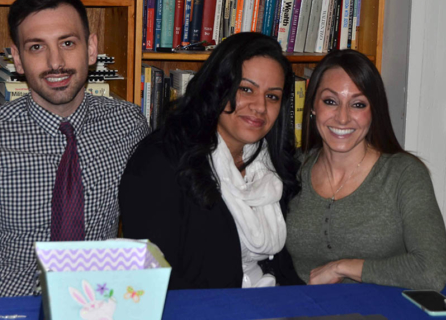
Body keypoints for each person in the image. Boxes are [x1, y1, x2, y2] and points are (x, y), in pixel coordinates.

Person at [0, 0, 149, 299]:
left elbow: (151, 229)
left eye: (67, 43)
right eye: (36, 47)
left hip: (98, 304)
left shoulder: (128, 124)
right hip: (8, 307)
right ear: (17, 58)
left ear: (91, 48)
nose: (55, 63)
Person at [120, 32, 303, 289]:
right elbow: (154, 281)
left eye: (272, 96)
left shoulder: (272, 162)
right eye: (246, 89)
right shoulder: (160, 161)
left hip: (270, 301)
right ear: (217, 87)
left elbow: (283, 267)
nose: (260, 106)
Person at [286, 49, 446, 291]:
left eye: (358, 104)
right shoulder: (291, 169)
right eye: (330, 101)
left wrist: (342, 267)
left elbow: (433, 271)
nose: (342, 118)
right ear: (312, 107)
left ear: (374, 112)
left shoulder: (404, 175)